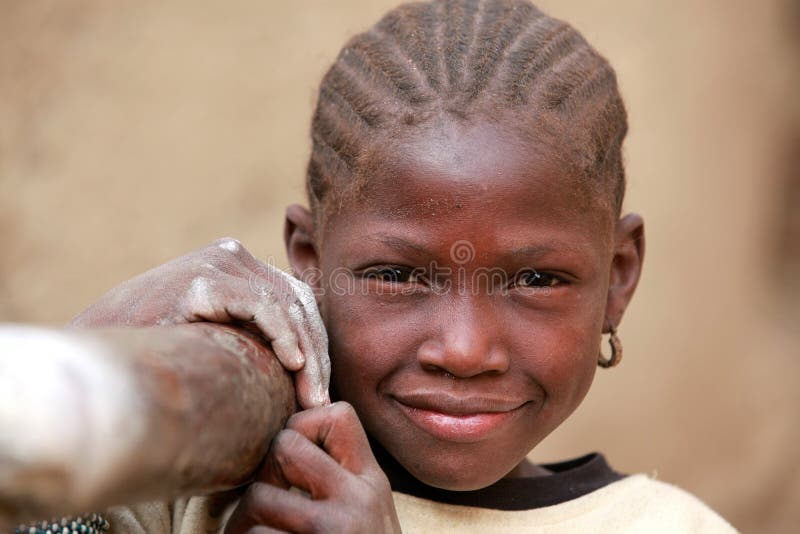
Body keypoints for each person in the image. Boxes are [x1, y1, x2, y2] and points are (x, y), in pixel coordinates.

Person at [64, 0, 736, 532]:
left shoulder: (669, 526)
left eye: (535, 280)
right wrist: (89, 349)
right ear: (309, 260)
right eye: (396, 275)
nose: (466, 351)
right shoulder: (189, 489)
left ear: (618, 277)